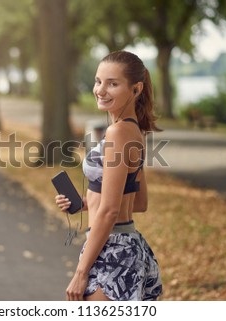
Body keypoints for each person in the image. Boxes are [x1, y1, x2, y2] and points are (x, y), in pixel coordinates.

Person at [55, 50, 162, 301]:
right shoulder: (134, 131)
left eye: (112, 84)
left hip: (113, 254)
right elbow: (138, 202)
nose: (100, 90)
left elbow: (111, 210)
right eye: (98, 81)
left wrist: (81, 273)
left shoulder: (118, 133)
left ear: (135, 89)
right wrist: (84, 203)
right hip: (125, 247)